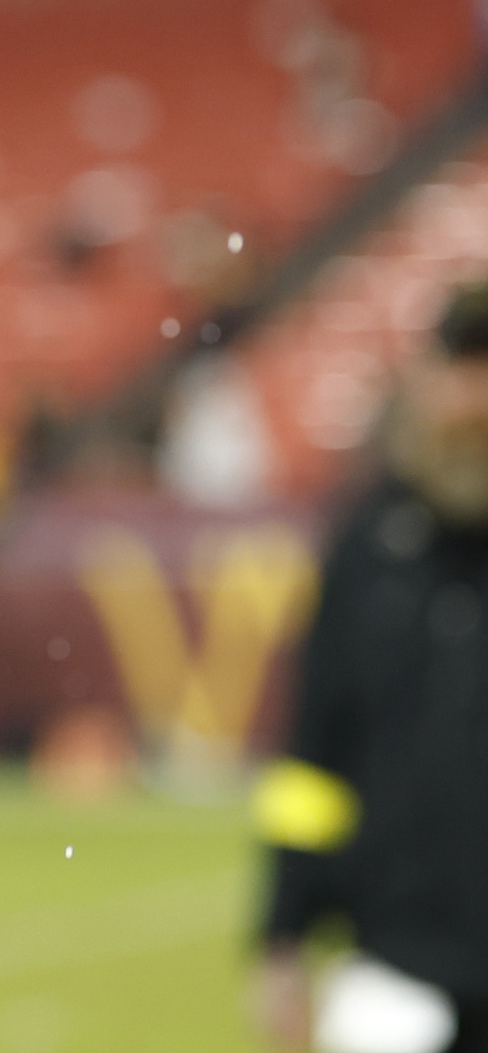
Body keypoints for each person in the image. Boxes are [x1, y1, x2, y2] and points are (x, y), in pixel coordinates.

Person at [254, 282, 488, 1053]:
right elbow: (314, 754)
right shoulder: (368, 543)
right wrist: (281, 932)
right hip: (395, 968)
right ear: (425, 382)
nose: (475, 398)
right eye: (463, 366)